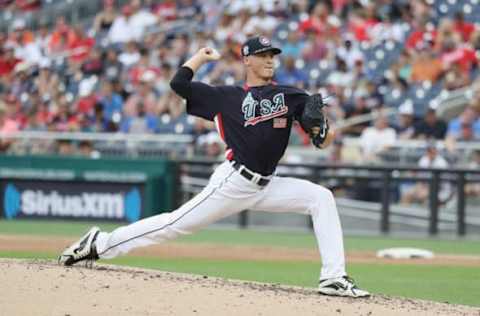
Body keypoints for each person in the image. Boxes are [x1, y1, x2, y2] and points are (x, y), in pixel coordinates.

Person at [58, 36, 369, 298]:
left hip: (268, 183)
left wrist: (321, 130)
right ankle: (99, 243)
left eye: (272, 54)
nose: (270, 59)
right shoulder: (225, 97)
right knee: (173, 225)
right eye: (262, 55)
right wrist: (199, 57)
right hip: (233, 181)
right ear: (247, 60)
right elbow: (179, 83)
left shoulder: (291, 96)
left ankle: (333, 277)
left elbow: (322, 142)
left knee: (321, 197)